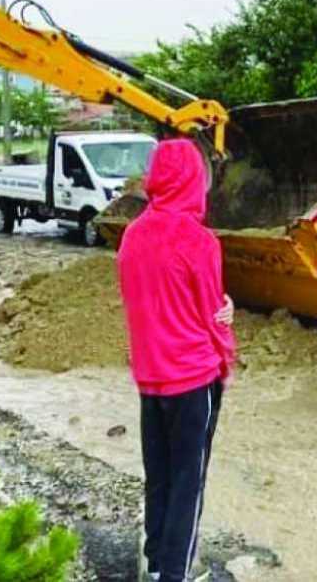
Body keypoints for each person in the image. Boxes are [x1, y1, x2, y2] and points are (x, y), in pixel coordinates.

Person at [117, 138, 236, 582]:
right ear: (192, 180)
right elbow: (212, 317)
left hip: (150, 379)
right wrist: (226, 341)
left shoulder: (132, 235)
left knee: (160, 477)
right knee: (190, 482)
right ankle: (176, 575)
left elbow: (140, 301)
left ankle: (155, 564)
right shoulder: (198, 240)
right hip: (193, 379)